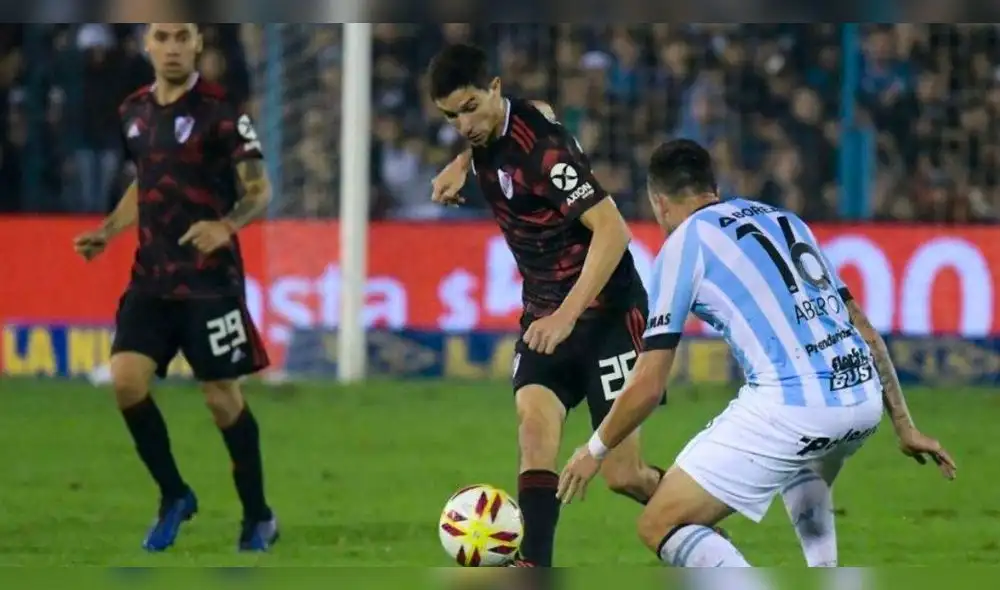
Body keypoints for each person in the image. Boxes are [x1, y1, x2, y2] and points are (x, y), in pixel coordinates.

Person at [556, 139, 957, 568]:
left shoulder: (683, 244)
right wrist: (905, 426)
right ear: (713, 185)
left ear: (659, 202)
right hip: (862, 401)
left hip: (794, 406)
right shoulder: (786, 220)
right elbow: (864, 328)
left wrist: (593, 450)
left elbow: (651, 383)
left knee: (659, 523)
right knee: (804, 462)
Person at [427, 43, 666, 568]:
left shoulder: (544, 152)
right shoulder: (494, 128)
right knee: (534, 426)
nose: (463, 124)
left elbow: (613, 230)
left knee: (623, 476)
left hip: (605, 315)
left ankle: (700, 512)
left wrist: (566, 316)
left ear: (493, 88)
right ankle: (533, 568)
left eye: (469, 108)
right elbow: (508, 124)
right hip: (544, 314)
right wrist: (461, 162)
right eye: (451, 117)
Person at [72, 23, 278, 552]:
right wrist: (108, 230)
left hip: (210, 282)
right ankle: (174, 494)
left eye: (181, 37)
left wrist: (225, 225)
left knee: (222, 400)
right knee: (125, 381)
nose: (171, 47)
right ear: (147, 43)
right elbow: (146, 179)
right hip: (151, 278)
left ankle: (257, 515)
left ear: (197, 44)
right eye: (161, 37)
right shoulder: (133, 111)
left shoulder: (223, 112)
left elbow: (259, 189)